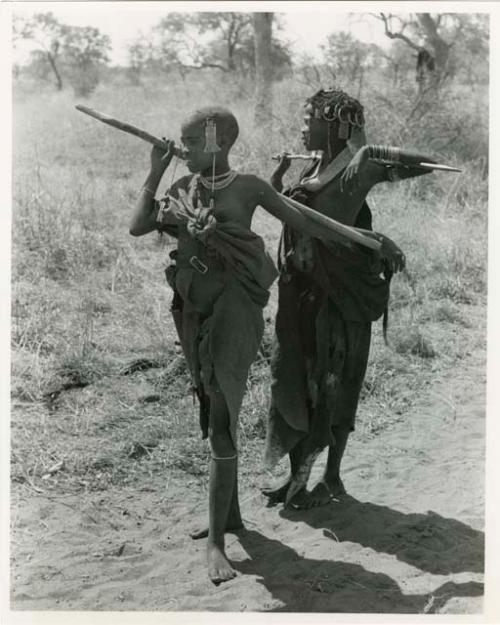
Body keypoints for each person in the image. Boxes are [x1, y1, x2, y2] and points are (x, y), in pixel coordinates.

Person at [129, 106, 403, 584]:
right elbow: (138, 225)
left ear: (215, 140)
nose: (183, 149)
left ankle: (217, 542)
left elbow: (308, 220)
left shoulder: (251, 187)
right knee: (211, 407)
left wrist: (370, 239)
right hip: (192, 314)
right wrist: (156, 169)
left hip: (235, 317)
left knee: (221, 422)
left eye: (190, 142)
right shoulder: (182, 190)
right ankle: (230, 517)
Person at [263, 88, 435, 510]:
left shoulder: (356, 166)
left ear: (336, 126)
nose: (304, 126)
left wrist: (366, 144)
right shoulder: (319, 166)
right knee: (300, 382)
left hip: (338, 299)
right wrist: (278, 182)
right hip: (303, 294)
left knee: (333, 383)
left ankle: (328, 477)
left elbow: (426, 163)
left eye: (312, 119)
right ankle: (297, 478)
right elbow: (294, 215)